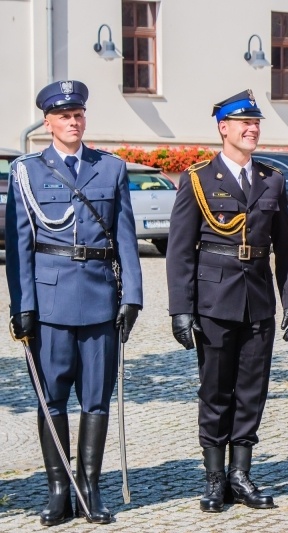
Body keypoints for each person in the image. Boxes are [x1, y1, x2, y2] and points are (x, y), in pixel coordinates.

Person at [5, 80, 143, 525]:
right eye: (64, 116)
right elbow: (20, 245)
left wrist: (133, 297)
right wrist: (21, 305)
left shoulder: (110, 169)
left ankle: (90, 486)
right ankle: (59, 489)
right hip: (50, 305)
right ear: (48, 122)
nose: (73, 121)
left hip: (101, 300)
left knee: (97, 400)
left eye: (78, 114)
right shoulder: (28, 172)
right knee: (53, 399)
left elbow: (126, 237)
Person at [167, 90, 288, 512]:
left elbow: (284, 246)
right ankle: (213, 478)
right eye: (243, 123)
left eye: (256, 123)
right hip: (214, 301)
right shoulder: (198, 179)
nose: (252, 129)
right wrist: (181, 308)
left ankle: (240, 474)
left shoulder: (271, 180)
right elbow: (180, 249)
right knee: (215, 392)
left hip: (258, 300)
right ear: (223, 128)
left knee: (251, 391)